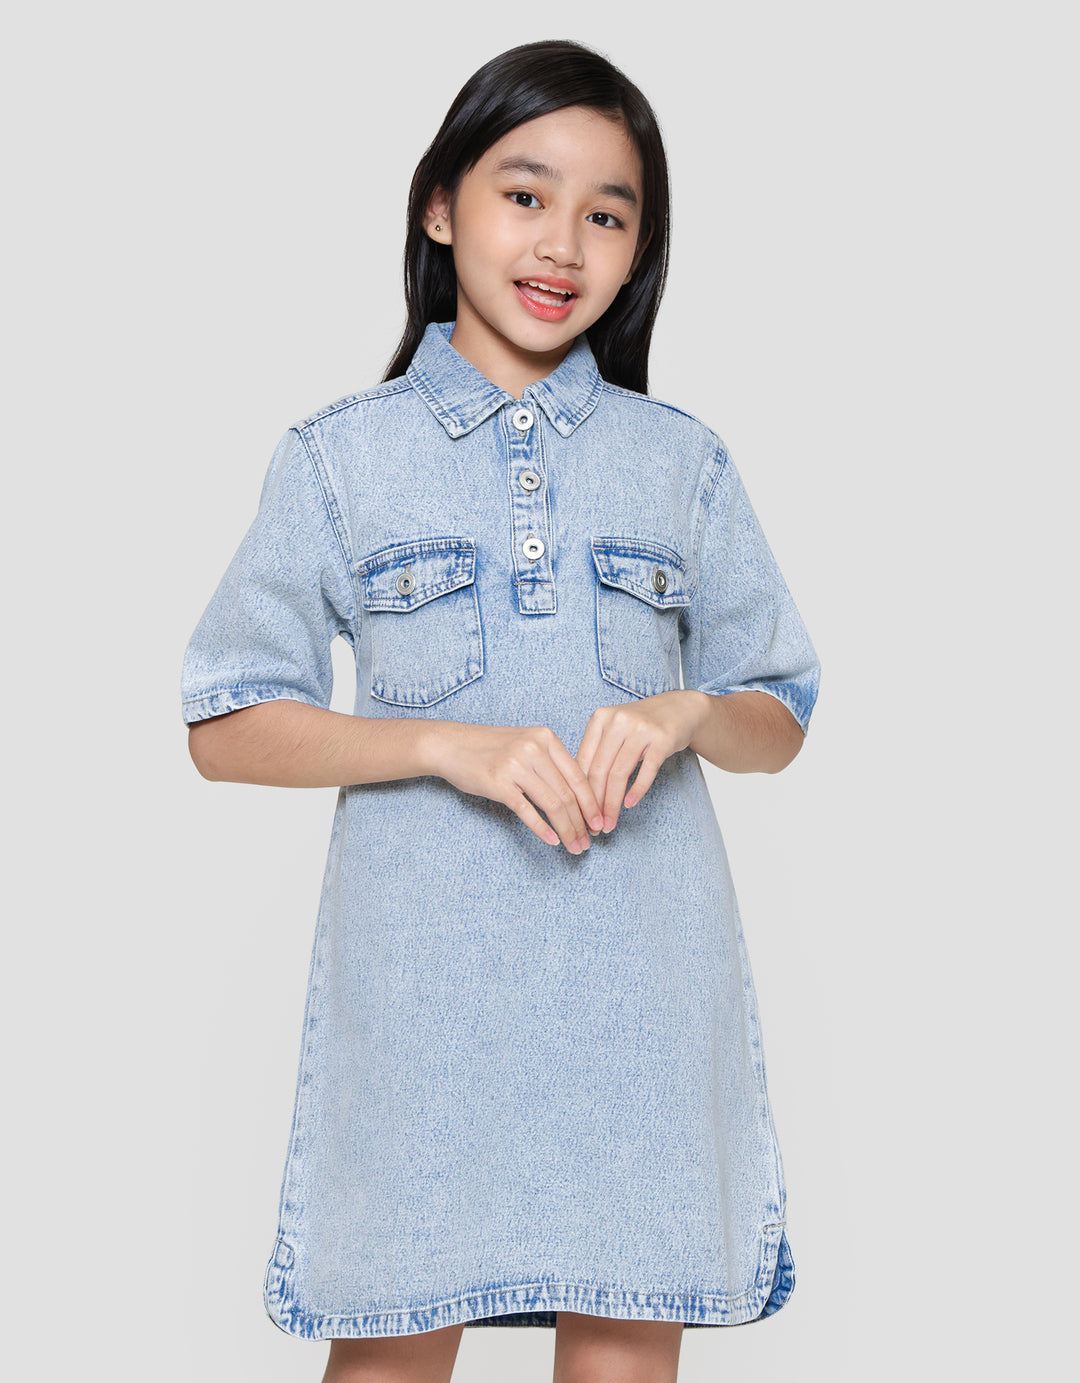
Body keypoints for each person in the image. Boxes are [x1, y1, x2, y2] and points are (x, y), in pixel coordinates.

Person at [181, 38, 821, 1383]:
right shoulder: (339, 460)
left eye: (608, 215)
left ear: (640, 249)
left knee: (624, 1349)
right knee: (392, 1354)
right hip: (422, 994)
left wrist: (689, 714)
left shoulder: (682, 464)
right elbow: (227, 720)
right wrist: (439, 745)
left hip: (642, 987)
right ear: (440, 205)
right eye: (525, 195)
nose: (562, 245)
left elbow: (778, 711)